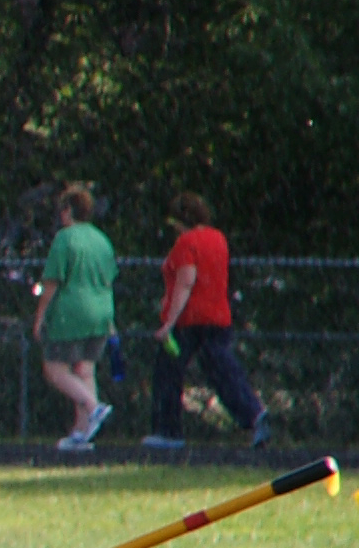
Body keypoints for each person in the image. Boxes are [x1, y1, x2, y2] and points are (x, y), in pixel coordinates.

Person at [144, 192, 272, 455]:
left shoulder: (186, 243)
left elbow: (186, 280)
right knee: (223, 370)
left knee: (168, 372)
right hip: (219, 315)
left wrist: (169, 321)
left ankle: (168, 431)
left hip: (190, 319)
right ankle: (252, 413)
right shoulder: (218, 238)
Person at [30, 184, 120, 453]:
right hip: (101, 312)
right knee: (85, 370)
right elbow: (108, 279)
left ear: (68, 210)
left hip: (72, 314)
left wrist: (39, 319)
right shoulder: (101, 239)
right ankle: (82, 433)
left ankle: (94, 408)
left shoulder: (65, 238)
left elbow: (52, 283)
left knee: (55, 369)